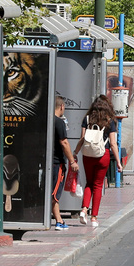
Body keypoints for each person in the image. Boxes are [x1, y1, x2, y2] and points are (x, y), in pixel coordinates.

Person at [75, 95, 122, 228]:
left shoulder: (87, 119)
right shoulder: (110, 121)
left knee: (89, 183)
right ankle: (94, 217)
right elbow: (113, 143)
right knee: (98, 185)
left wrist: (75, 152)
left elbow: (82, 139)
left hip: (88, 154)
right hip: (103, 155)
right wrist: (118, 162)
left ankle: (84, 209)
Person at [51, 97, 78, 232]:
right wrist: (72, 161)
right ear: (61, 106)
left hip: (46, 161)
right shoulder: (59, 122)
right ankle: (59, 221)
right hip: (57, 162)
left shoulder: (46, 120)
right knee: (55, 192)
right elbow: (64, 143)